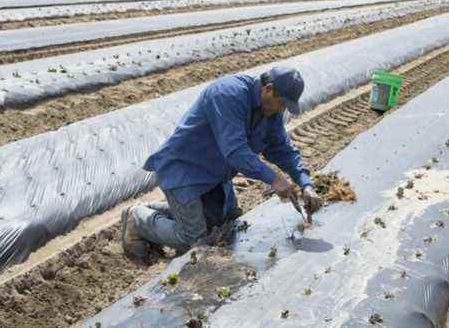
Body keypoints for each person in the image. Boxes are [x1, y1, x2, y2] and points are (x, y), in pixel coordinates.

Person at [121, 66, 322, 259]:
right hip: (185, 171)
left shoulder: (271, 112)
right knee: (193, 238)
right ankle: (137, 218)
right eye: (282, 103)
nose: (282, 110)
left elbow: (281, 148)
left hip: (216, 176)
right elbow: (235, 151)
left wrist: (306, 184)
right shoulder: (229, 94)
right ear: (268, 90)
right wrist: (274, 179)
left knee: (226, 224)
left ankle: (161, 211)